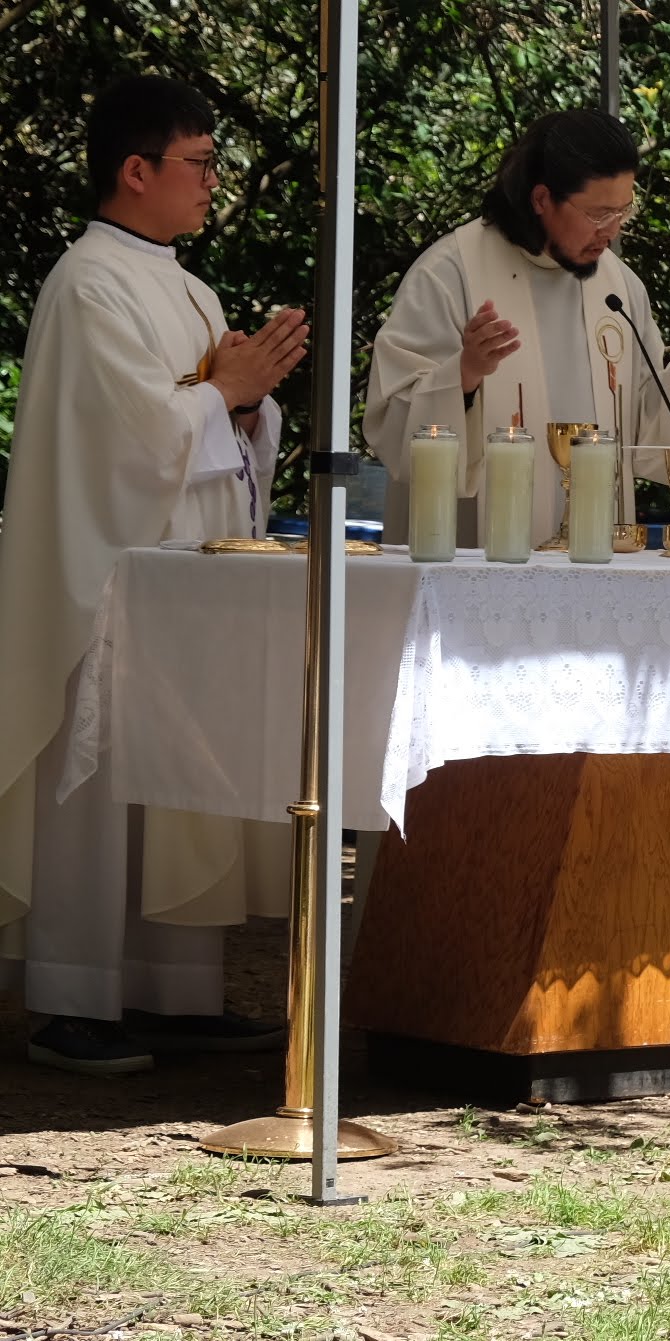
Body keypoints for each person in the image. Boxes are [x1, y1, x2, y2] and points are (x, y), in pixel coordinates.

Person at [0, 75, 305, 1073]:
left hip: (184, 581)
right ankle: (71, 994)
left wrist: (249, 405)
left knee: (179, 778)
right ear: (137, 171)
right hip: (107, 581)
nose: (216, 181)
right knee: (95, 787)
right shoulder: (90, 281)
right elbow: (124, 444)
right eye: (201, 162)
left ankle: (176, 994)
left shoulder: (184, 283)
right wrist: (222, 393)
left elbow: (207, 420)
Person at [364, 108, 670, 545]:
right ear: (542, 199)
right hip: (470, 562)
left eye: (623, 211)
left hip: (595, 558)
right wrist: (463, 375)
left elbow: (641, 425)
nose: (612, 231)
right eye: (599, 214)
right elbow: (395, 424)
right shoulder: (449, 274)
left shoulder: (617, 285)